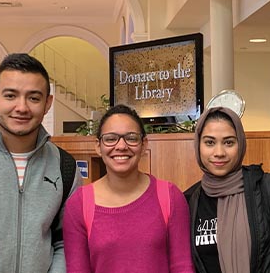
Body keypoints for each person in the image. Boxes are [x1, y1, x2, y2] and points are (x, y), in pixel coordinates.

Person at [63, 105, 193, 273]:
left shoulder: (169, 196)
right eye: (111, 138)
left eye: (131, 138)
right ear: (98, 146)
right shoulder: (79, 204)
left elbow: (182, 267)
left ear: (144, 144)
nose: (121, 146)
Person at [0, 53, 81, 273]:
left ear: (48, 103)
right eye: (10, 96)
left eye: (34, 98)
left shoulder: (65, 167)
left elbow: (66, 242)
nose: (22, 107)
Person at [184, 107, 270, 273]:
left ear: (241, 144)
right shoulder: (189, 201)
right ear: (198, 145)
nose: (219, 152)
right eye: (209, 142)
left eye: (229, 142)